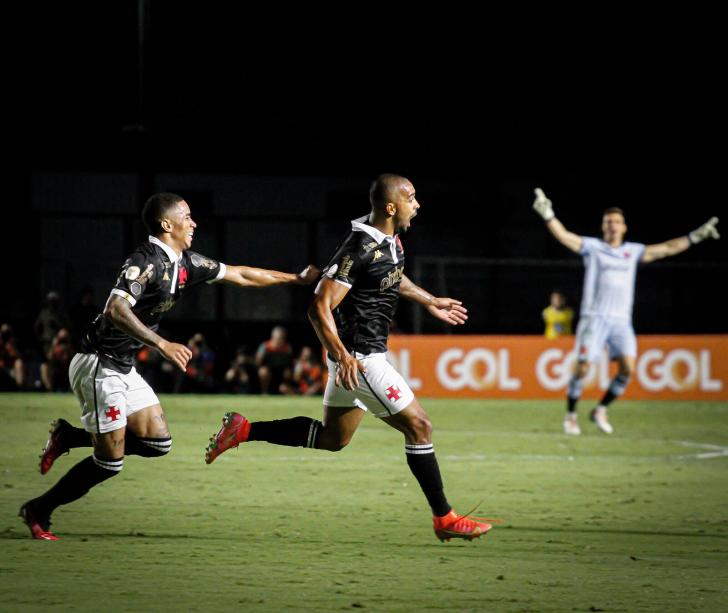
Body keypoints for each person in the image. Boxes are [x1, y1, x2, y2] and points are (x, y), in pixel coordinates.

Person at [205, 174, 494, 542]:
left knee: (333, 439)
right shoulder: (357, 248)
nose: (417, 205)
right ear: (391, 207)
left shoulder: (388, 240)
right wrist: (342, 356)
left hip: (356, 358)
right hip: (361, 359)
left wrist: (431, 301)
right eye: (412, 198)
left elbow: (393, 276)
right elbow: (318, 307)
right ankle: (445, 517)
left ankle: (244, 429)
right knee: (420, 427)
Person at [19, 192, 319, 540]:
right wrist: (161, 343)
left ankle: (70, 435)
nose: (193, 222)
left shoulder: (184, 263)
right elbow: (116, 308)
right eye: (187, 216)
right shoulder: (145, 261)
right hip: (98, 365)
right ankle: (39, 510)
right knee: (110, 462)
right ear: (167, 224)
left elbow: (240, 275)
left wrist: (295, 279)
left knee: (156, 443)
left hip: (121, 367)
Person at [532, 187, 720, 435]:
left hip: (621, 321)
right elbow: (566, 237)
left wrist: (695, 236)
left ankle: (600, 409)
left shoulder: (633, 252)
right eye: (608, 221)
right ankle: (571, 415)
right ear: (602, 226)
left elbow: (666, 248)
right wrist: (548, 216)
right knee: (583, 368)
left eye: (617, 221)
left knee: (628, 369)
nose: (613, 225)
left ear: (624, 227)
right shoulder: (593, 247)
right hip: (594, 318)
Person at [255, 325, 294, 394]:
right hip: (269, 371)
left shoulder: (287, 348)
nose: (281, 340)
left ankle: (287, 391)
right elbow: (257, 362)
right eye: (279, 338)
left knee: (288, 373)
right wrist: (261, 356)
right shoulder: (265, 346)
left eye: (282, 338)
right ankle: (264, 392)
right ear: (273, 337)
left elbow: (290, 363)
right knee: (263, 371)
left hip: (280, 371)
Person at [0, 323, 25, 390]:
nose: (5, 335)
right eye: (3, 332)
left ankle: (20, 389)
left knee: (19, 363)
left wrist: (10, 346)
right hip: (1, 366)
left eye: (7, 332)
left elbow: (17, 356)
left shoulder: (13, 342)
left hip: (10, 368)